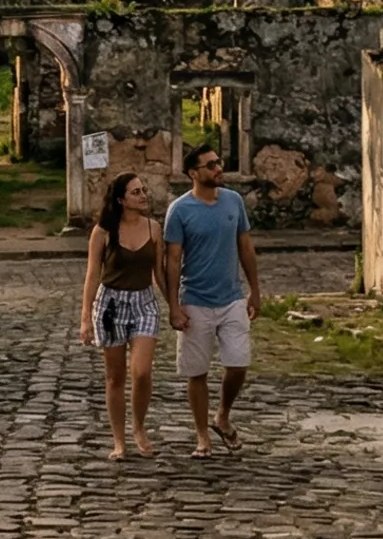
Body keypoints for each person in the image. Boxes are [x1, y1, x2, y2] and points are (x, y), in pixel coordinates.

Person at [160, 145, 259, 459]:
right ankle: (202, 435)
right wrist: (174, 306)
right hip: (196, 300)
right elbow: (172, 261)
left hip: (232, 297)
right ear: (194, 173)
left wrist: (255, 290)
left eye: (220, 162)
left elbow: (245, 246)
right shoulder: (180, 210)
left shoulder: (233, 201)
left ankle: (223, 415)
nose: (219, 168)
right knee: (197, 372)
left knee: (238, 363)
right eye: (212, 164)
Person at [76, 172, 164, 460]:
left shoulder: (154, 228)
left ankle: (139, 426)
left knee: (142, 371)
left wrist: (175, 306)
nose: (143, 196)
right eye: (136, 192)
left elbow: (160, 273)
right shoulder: (103, 231)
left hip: (144, 303)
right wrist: (86, 317)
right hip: (111, 304)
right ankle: (119, 440)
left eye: (143, 190)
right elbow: (92, 275)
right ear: (121, 200)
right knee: (115, 377)